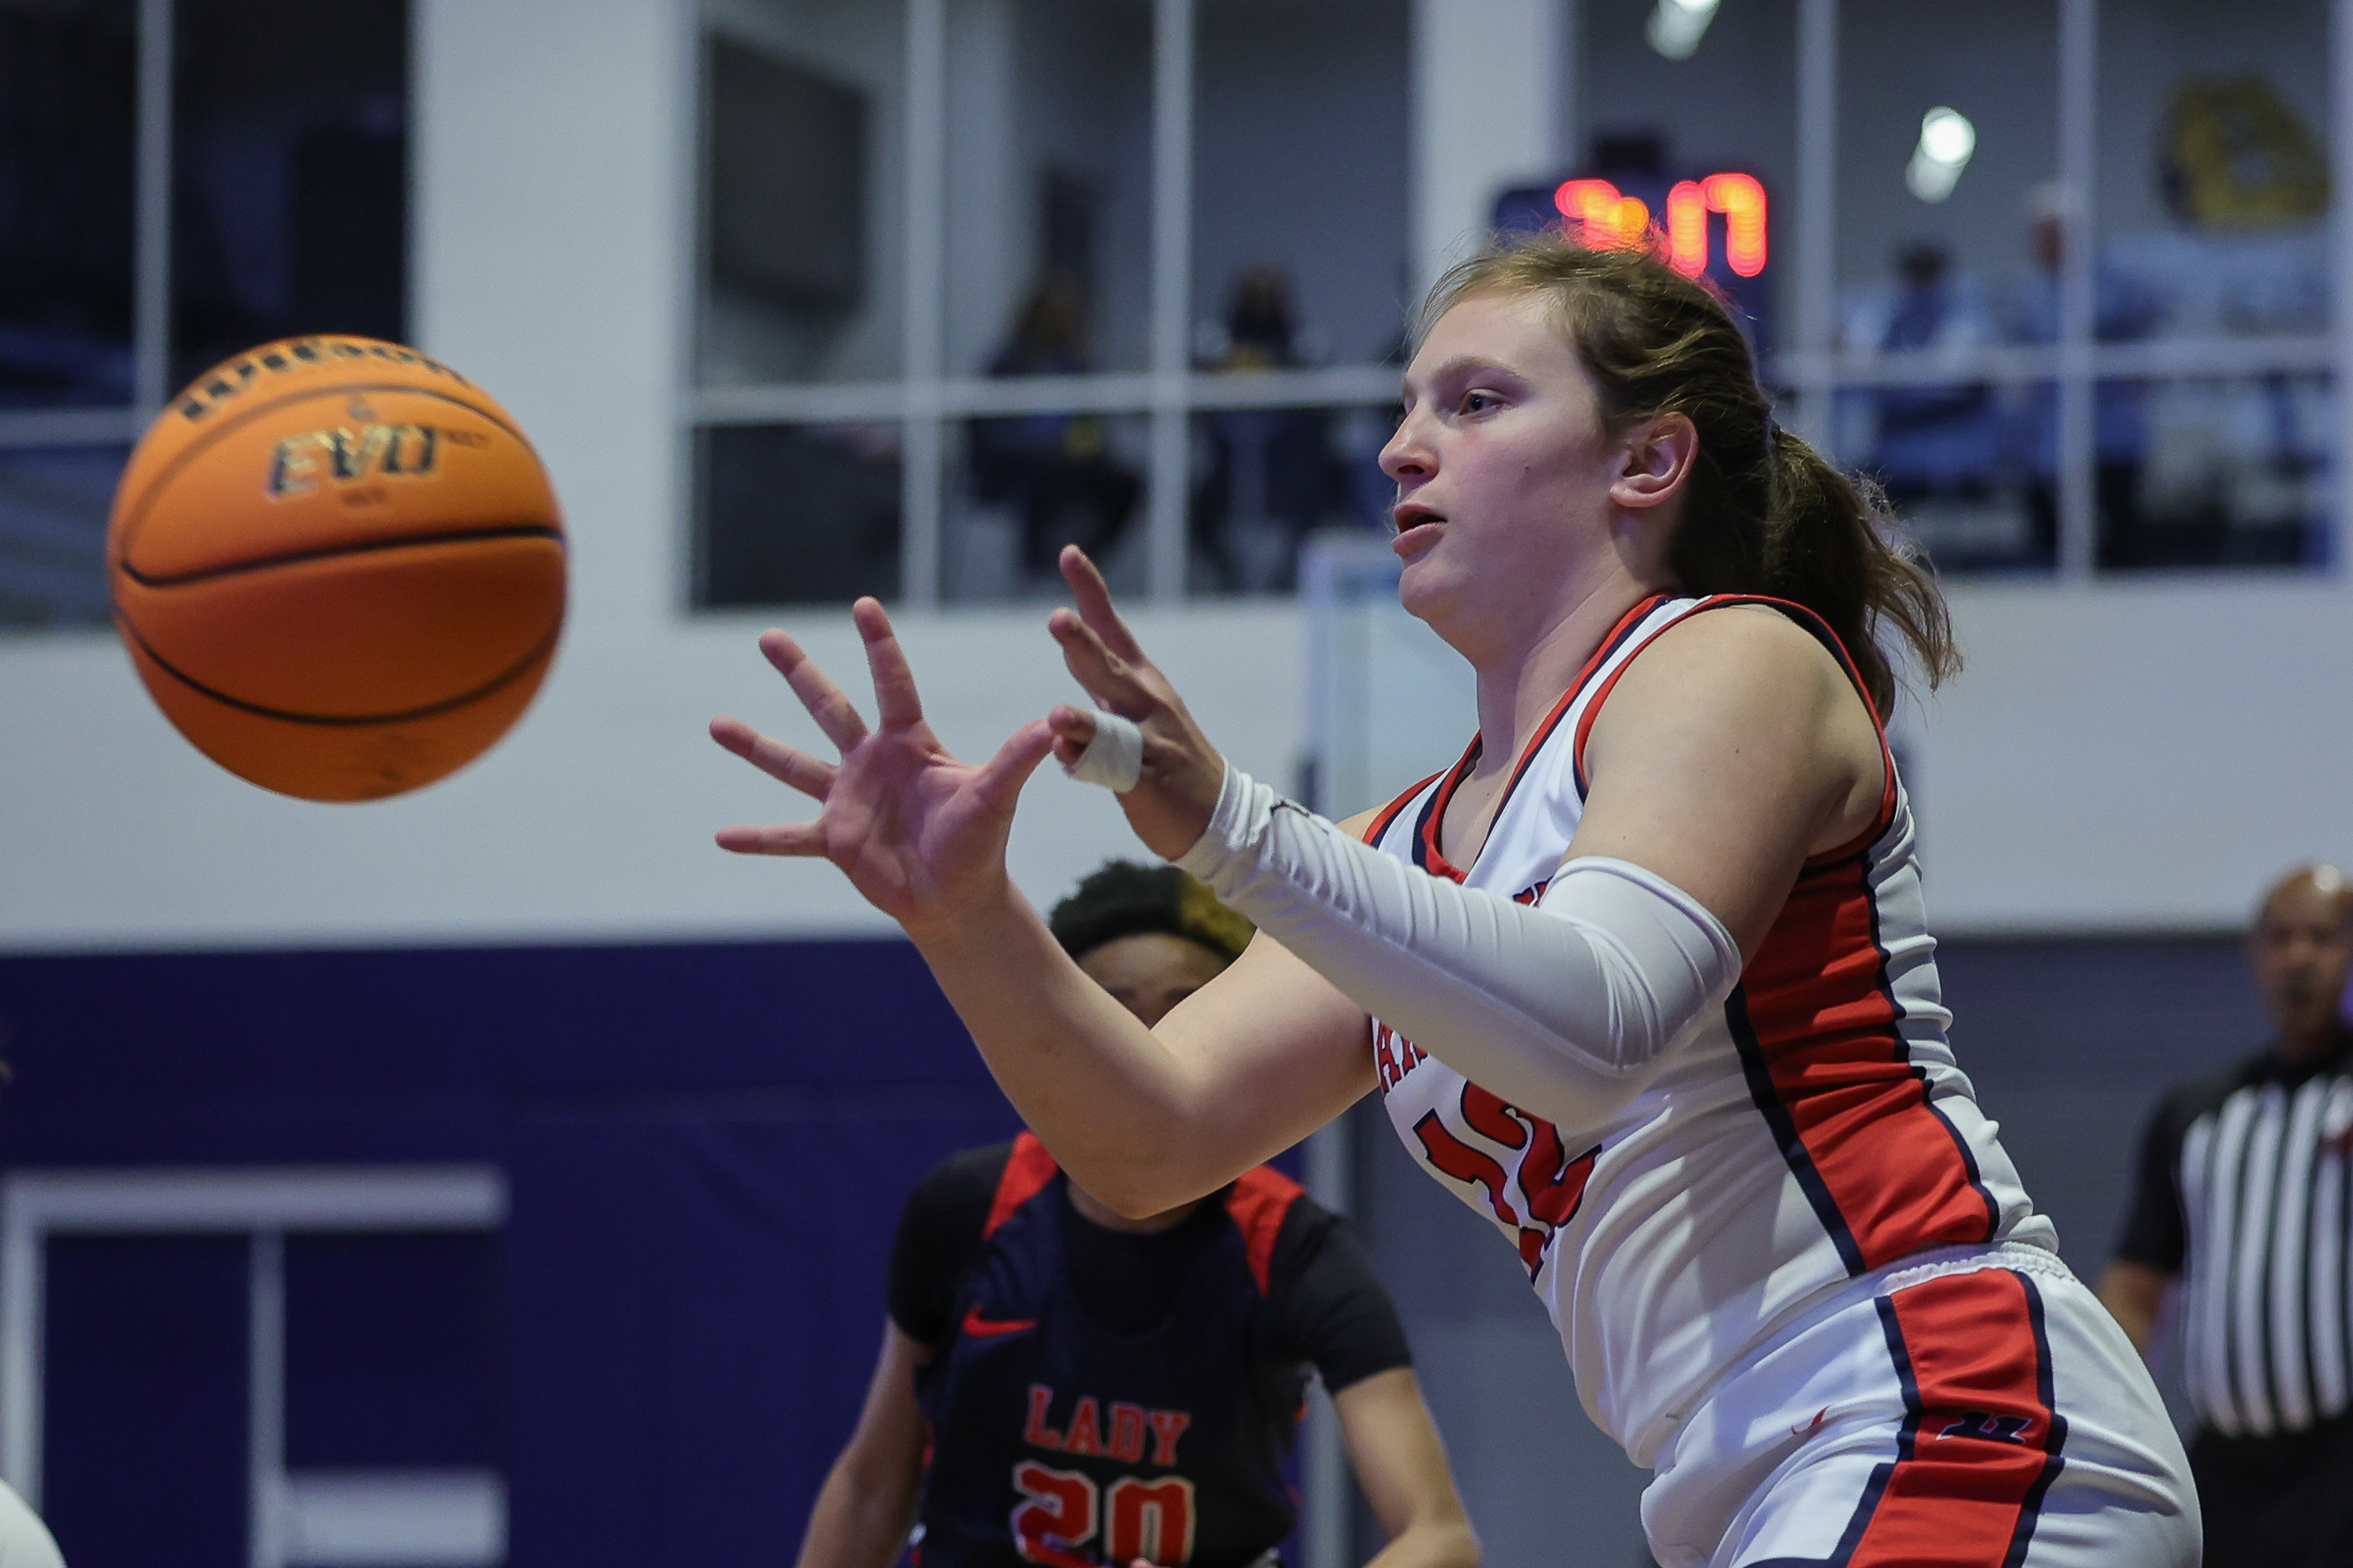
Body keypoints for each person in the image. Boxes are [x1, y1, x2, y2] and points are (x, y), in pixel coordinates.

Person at [712, 238, 2198, 1567]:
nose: (1402, 449)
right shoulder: (1407, 841)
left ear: (1648, 461)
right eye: (1406, 407)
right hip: (1750, 1475)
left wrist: (1232, 827)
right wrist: (962, 916)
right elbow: (1146, 1143)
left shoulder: (1732, 659)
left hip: (1948, 1406)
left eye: (1476, 404)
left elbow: (1595, 1027)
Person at [792, 861, 1478, 1568]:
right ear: (1061, 1038)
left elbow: (1439, 1537)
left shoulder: (1295, 1249)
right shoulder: (967, 1208)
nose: (1146, 1048)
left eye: (1186, 1011)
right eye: (1115, 1012)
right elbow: (873, 1483)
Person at [2099, 864, 2353, 1567]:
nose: (2298, 956)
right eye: (2280, 937)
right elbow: (2134, 1288)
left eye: (2323, 937)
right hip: (2227, 1465)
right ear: (2253, 953)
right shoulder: (2198, 1113)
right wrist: (2108, 1418)